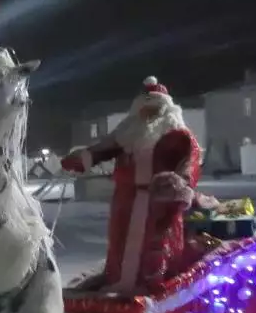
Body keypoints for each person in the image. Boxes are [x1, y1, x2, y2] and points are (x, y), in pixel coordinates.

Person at [60, 76, 201, 294]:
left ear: (166, 110)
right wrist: (81, 158)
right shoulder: (127, 134)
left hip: (159, 202)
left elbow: (190, 161)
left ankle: (156, 287)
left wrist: (179, 183)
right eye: (144, 110)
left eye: (154, 109)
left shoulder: (178, 136)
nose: (148, 115)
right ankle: (118, 280)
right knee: (120, 243)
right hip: (126, 200)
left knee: (155, 247)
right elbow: (102, 150)